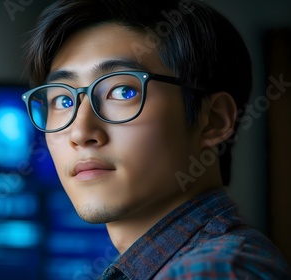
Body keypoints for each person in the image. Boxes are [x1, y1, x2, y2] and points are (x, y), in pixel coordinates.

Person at [21, 0, 291, 278]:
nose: (80, 132)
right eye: (63, 100)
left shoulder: (212, 270)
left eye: (122, 92)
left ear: (213, 120)